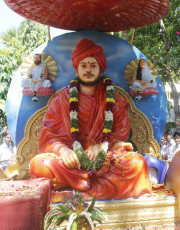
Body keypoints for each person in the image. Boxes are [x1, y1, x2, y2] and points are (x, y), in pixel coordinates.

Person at [29, 39, 152, 200]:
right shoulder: (61, 100)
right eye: (84, 65)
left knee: (137, 163)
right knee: (40, 165)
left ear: (100, 70)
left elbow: (121, 132)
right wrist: (63, 150)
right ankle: (96, 188)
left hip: (104, 160)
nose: (88, 70)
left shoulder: (114, 99)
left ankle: (77, 192)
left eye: (93, 65)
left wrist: (101, 147)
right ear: (76, 70)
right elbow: (49, 135)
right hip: (71, 163)